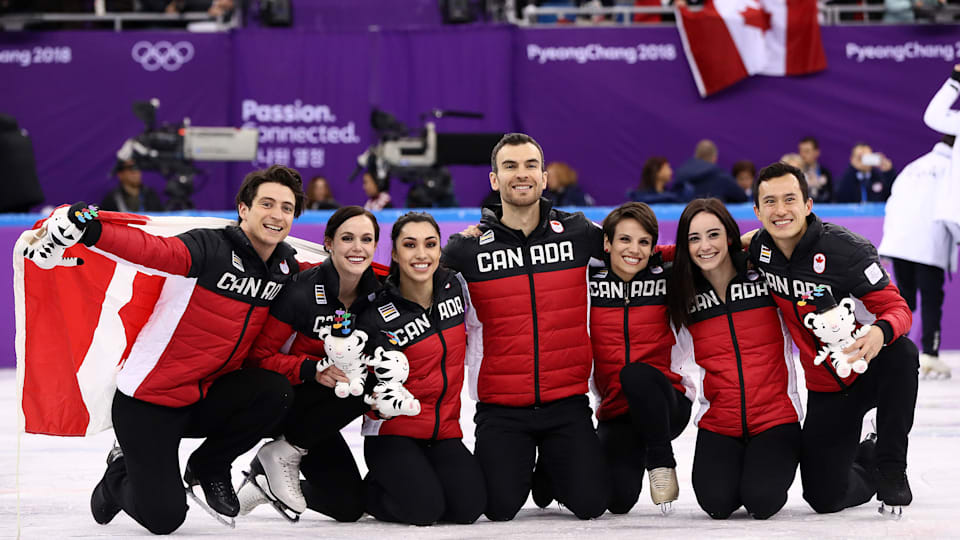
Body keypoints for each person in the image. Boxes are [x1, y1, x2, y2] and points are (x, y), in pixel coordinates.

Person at [79, 164, 306, 534]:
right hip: (149, 401)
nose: (277, 214)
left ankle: (210, 465)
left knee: (274, 392)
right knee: (166, 518)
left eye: (286, 207)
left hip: (206, 396)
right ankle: (117, 477)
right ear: (244, 209)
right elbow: (153, 250)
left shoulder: (284, 267)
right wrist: (95, 231)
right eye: (267, 203)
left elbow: (322, 286)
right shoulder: (210, 247)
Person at [441, 133, 608, 521]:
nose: (522, 174)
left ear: (545, 177)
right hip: (502, 409)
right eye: (510, 166)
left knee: (591, 504)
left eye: (531, 165)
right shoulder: (465, 249)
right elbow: (410, 280)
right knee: (498, 509)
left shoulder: (580, 232)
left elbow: (636, 250)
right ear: (494, 180)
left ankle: (552, 467)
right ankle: (533, 464)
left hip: (567, 403)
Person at [748, 161, 918, 515]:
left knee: (902, 352)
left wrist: (879, 330)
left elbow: (898, 308)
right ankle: (868, 462)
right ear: (757, 211)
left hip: (867, 365)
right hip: (828, 384)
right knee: (824, 498)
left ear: (808, 205)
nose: (781, 210)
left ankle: (891, 467)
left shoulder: (846, 250)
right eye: (770, 202)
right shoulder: (758, 250)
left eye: (790, 199)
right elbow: (715, 251)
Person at [238, 206, 383, 522]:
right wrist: (310, 369)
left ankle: (267, 478)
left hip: (320, 414)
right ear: (329, 242)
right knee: (365, 380)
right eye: (347, 238)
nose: (357, 248)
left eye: (366, 239)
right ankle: (283, 450)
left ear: (375, 245)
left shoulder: (380, 294)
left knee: (348, 507)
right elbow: (257, 359)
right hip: (284, 401)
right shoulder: (301, 291)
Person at [667, 198, 802, 520]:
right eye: (694, 238)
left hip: (775, 418)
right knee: (716, 504)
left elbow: (799, 233)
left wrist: (755, 239)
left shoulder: (763, 275)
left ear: (729, 236)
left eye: (713, 235)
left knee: (762, 502)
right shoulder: (685, 293)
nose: (705, 246)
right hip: (720, 422)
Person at [359, 212, 486, 525]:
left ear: (440, 250)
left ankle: (414, 478)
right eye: (409, 244)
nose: (421, 254)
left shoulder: (456, 286)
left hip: (442, 433)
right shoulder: (375, 310)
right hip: (391, 435)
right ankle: (356, 494)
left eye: (430, 244)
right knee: (425, 511)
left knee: (469, 509)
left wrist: (482, 231)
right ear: (394, 253)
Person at [589, 202, 695, 514]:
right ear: (607, 243)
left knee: (635, 373)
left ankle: (661, 462)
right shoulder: (587, 277)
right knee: (617, 501)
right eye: (624, 240)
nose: (633, 249)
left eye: (643, 242)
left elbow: (706, 248)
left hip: (667, 401)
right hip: (617, 409)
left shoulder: (669, 274)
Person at [878, 135, 955, 379]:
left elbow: (893, 203)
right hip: (929, 244)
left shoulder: (913, 167)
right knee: (931, 300)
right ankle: (930, 355)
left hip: (901, 243)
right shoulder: (952, 168)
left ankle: (896, 352)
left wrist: (888, 244)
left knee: (904, 300)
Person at [671, 139, 748, 203]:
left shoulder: (680, 175)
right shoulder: (722, 178)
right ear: (714, 158)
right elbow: (742, 198)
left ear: (696, 155)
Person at [99, 158, 164, 213]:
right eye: (130, 168)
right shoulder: (112, 199)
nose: (135, 171)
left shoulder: (150, 194)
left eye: (138, 167)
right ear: (120, 174)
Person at [798, 136, 834, 203]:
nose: (803, 155)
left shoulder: (825, 173)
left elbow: (831, 196)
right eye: (801, 151)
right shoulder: (797, 173)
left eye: (807, 151)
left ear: (816, 152)